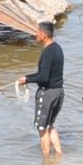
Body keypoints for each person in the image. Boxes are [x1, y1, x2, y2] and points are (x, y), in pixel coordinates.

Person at [15, 20, 65, 156]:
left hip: (48, 94)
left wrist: (26, 79)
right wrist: (28, 77)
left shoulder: (47, 52)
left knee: (42, 128)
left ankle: (46, 159)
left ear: (43, 34)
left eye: (37, 32)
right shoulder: (58, 48)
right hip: (59, 92)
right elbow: (46, 74)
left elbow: (43, 77)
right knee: (49, 125)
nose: (36, 34)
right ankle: (59, 155)